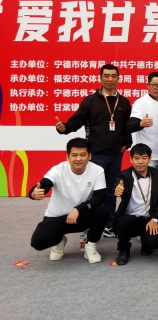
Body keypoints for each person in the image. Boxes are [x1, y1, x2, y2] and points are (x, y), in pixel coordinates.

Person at [54, 63, 131, 239]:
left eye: (114, 76)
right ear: (100, 78)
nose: (110, 79)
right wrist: (64, 128)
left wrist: (127, 144)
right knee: (93, 192)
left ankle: (109, 225)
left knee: (112, 191)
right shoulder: (90, 101)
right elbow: (76, 121)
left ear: (118, 79)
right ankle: (90, 225)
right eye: (106, 76)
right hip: (96, 154)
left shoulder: (124, 102)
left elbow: (126, 126)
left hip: (116, 155)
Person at [29, 138, 109, 264]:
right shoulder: (58, 170)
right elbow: (45, 184)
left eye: (83, 155)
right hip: (57, 217)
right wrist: (34, 193)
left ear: (89, 156)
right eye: (74, 155)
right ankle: (58, 241)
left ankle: (90, 246)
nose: (78, 159)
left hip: (81, 215)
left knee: (102, 210)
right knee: (38, 242)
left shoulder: (97, 170)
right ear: (67, 156)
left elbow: (100, 197)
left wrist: (78, 209)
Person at [112, 143, 158, 265]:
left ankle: (146, 243)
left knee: (154, 242)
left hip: (149, 219)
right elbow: (118, 185)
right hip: (130, 218)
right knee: (123, 222)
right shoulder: (125, 175)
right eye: (136, 158)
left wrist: (155, 219)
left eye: (144, 158)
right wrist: (118, 190)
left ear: (150, 159)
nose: (140, 162)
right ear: (131, 159)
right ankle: (123, 249)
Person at [127, 72, 158, 174]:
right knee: (144, 182)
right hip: (146, 156)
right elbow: (130, 125)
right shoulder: (141, 103)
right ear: (148, 85)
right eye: (154, 85)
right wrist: (141, 124)